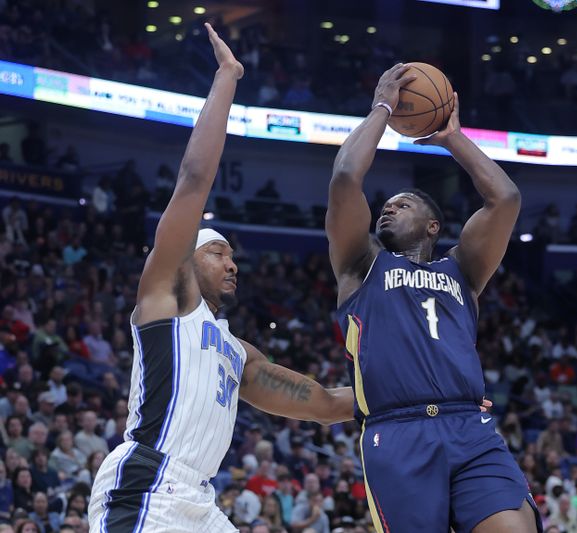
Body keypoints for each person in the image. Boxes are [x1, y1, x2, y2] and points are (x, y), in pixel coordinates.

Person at [87, 25, 354, 533]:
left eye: (233, 256)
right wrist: (228, 78)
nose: (232, 264)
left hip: (200, 502)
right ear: (186, 259)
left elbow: (321, 403)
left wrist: (422, 399)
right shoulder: (168, 298)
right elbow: (193, 180)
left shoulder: (238, 353)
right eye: (217, 252)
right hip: (149, 483)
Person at [326, 63, 540, 532]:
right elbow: (345, 178)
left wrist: (453, 138)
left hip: (470, 427)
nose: (388, 208)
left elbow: (504, 199)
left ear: (433, 226)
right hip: (397, 431)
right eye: (386, 206)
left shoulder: (461, 269)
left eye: (403, 205)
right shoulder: (362, 265)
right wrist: (382, 107)